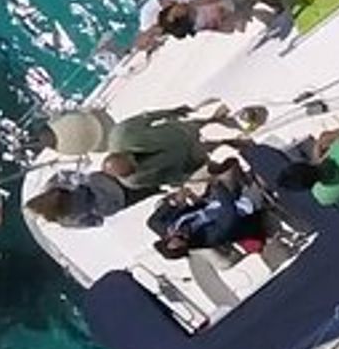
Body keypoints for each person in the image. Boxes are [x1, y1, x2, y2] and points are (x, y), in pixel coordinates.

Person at [102, 103, 252, 195]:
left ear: (121, 154)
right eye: (134, 168)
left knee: (198, 124)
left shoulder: (120, 133)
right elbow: (164, 178)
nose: (137, 163)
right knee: (211, 147)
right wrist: (186, 177)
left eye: (132, 161)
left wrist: (172, 111)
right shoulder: (133, 181)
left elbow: (147, 117)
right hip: (185, 158)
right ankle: (229, 142)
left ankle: (215, 119)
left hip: (176, 133)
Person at [133, 0, 285, 54]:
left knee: (237, 15)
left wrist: (188, 8)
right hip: (197, 11)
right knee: (236, 25)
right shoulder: (163, 27)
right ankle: (252, 3)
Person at [148, 158, 268, 259]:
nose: (183, 234)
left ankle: (241, 165)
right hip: (243, 209)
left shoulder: (166, 227)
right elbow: (229, 212)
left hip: (212, 201)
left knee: (224, 163)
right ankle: (259, 177)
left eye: (178, 236)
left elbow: (152, 221)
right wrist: (217, 186)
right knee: (263, 178)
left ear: (167, 237)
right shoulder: (209, 238)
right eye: (184, 239)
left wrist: (175, 202)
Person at [25, 169, 128, 228]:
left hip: (108, 179)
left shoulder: (52, 185)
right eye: (41, 204)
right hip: (115, 199)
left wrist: (77, 182)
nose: (42, 199)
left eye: (39, 199)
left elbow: (73, 175)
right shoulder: (67, 220)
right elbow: (97, 221)